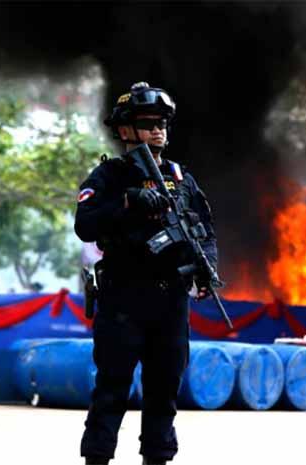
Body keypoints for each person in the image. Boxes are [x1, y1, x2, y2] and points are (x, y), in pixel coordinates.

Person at [75, 82, 218, 465]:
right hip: (123, 297)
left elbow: (203, 228)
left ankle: (157, 458)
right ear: (125, 130)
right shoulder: (109, 177)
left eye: (162, 124)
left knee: (164, 390)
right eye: (147, 123)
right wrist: (127, 201)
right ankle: (97, 458)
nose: (158, 131)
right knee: (112, 390)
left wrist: (206, 269)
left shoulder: (181, 178)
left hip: (170, 300)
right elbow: (85, 224)